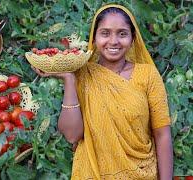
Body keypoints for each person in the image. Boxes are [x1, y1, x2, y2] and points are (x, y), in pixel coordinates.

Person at [33, 4, 173, 180]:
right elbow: (71, 135)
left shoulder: (148, 75)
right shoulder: (83, 74)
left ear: (132, 39)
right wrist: (69, 79)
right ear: (94, 39)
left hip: (142, 173)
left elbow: (162, 134)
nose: (113, 41)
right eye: (105, 33)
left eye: (122, 33)